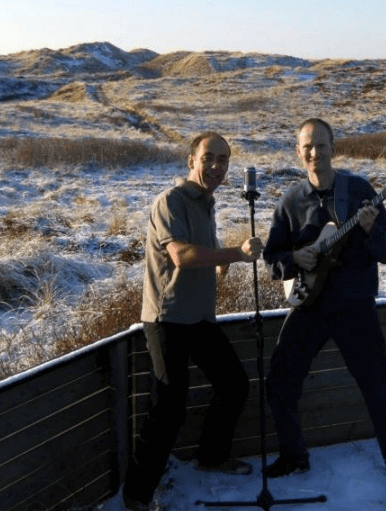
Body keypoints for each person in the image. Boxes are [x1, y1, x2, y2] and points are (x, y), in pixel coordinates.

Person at [262, 118, 386, 511]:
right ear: (298, 151)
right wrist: (294, 258)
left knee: (383, 399)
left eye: (321, 145)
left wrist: (370, 231)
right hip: (308, 306)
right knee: (280, 383)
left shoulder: (357, 191)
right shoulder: (290, 202)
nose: (314, 153)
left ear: (333, 147)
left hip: (355, 310)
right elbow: (272, 262)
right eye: (307, 146)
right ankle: (294, 456)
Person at [123, 131, 263, 511]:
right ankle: (136, 496)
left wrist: (219, 262)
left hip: (200, 319)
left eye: (223, 160)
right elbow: (181, 254)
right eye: (209, 158)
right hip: (167, 319)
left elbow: (197, 249)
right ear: (192, 161)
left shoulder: (206, 203)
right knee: (168, 410)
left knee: (234, 385)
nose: (217, 166)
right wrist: (235, 253)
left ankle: (211, 456)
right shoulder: (171, 200)